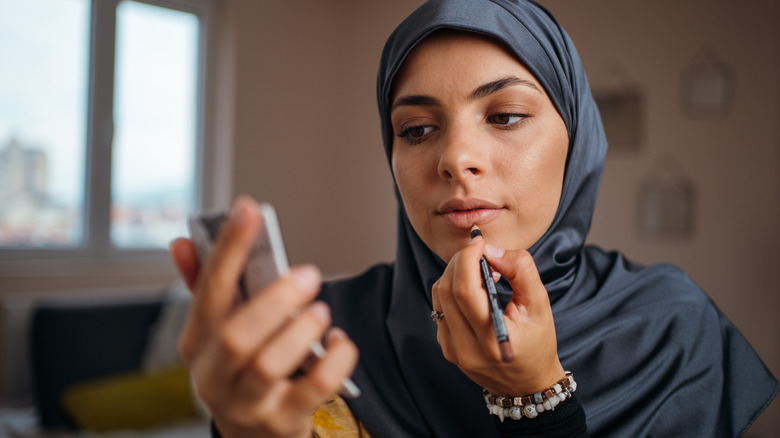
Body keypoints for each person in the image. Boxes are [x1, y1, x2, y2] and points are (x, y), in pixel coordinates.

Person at [169, 0, 777, 437]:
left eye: (506, 115)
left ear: (579, 141)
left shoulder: (672, 330)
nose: (455, 158)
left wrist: (537, 401)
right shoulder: (324, 337)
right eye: (417, 129)